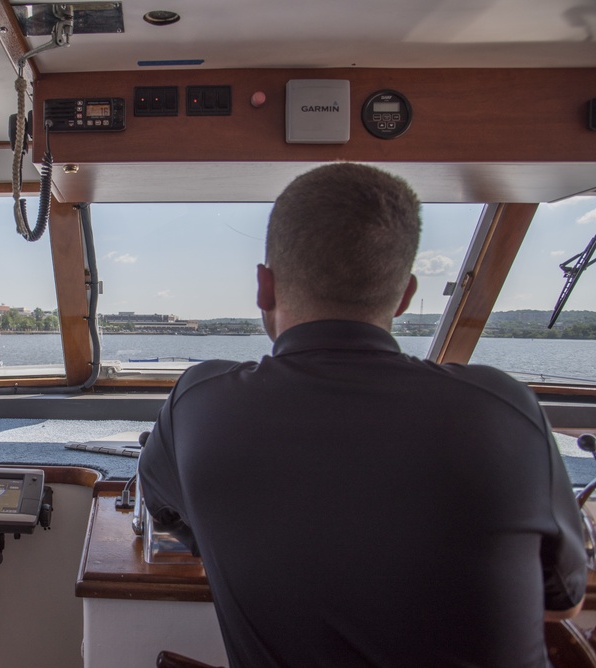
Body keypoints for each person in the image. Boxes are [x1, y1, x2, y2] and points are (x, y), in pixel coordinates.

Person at [138, 163, 587, 667]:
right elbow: (565, 598)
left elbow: (166, 511)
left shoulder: (198, 403)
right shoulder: (503, 410)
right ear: (404, 296)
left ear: (265, 287)